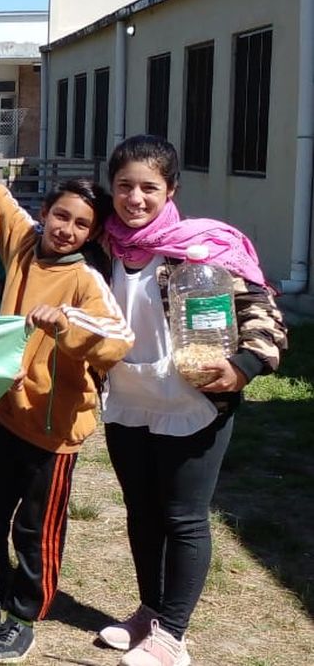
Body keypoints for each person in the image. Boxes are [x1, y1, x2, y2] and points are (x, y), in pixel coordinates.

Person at [94, 136, 286, 666]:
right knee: (141, 512)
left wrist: (242, 366)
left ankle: (172, 635)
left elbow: (263, 316)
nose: (135, 198)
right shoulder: (103, 245)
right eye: (125, 186)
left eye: (149, 188)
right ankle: (150, 612)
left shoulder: (201, 249)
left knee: (183, 516)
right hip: (130, 397)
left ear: (171, 189)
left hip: (195, 400)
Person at [0, 179, 133, 663]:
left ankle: (23, 617)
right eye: (61, 216)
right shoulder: (26, 243)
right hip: (2, 416)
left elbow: (118, 338)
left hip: (54, 433)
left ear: (92, 235)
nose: (66, 230)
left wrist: (67, 324)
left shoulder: (86, 280)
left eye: (81, 225)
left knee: (36, 529)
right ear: (45, 212)